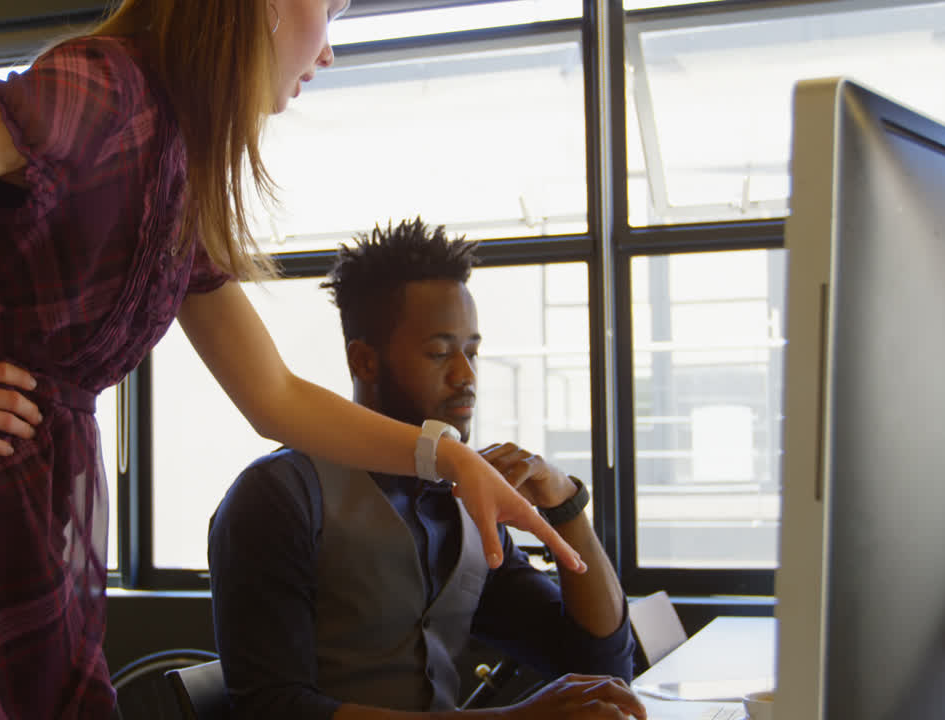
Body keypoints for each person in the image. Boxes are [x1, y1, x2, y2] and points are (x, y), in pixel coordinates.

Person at [0, 2, 588, 718]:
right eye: (328, 11)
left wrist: (443, 457)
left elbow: (274, 395)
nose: (329, 49)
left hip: (19, 546)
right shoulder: (103, 90)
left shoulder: (173, 164)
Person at [208, 218, 647, 720]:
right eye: (440, 353)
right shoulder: (280, 496)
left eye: (472, 352)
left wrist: (567, 505)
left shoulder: (463, 502)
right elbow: (274, 710)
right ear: (364, 363)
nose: (466, 376)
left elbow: (600, 662)